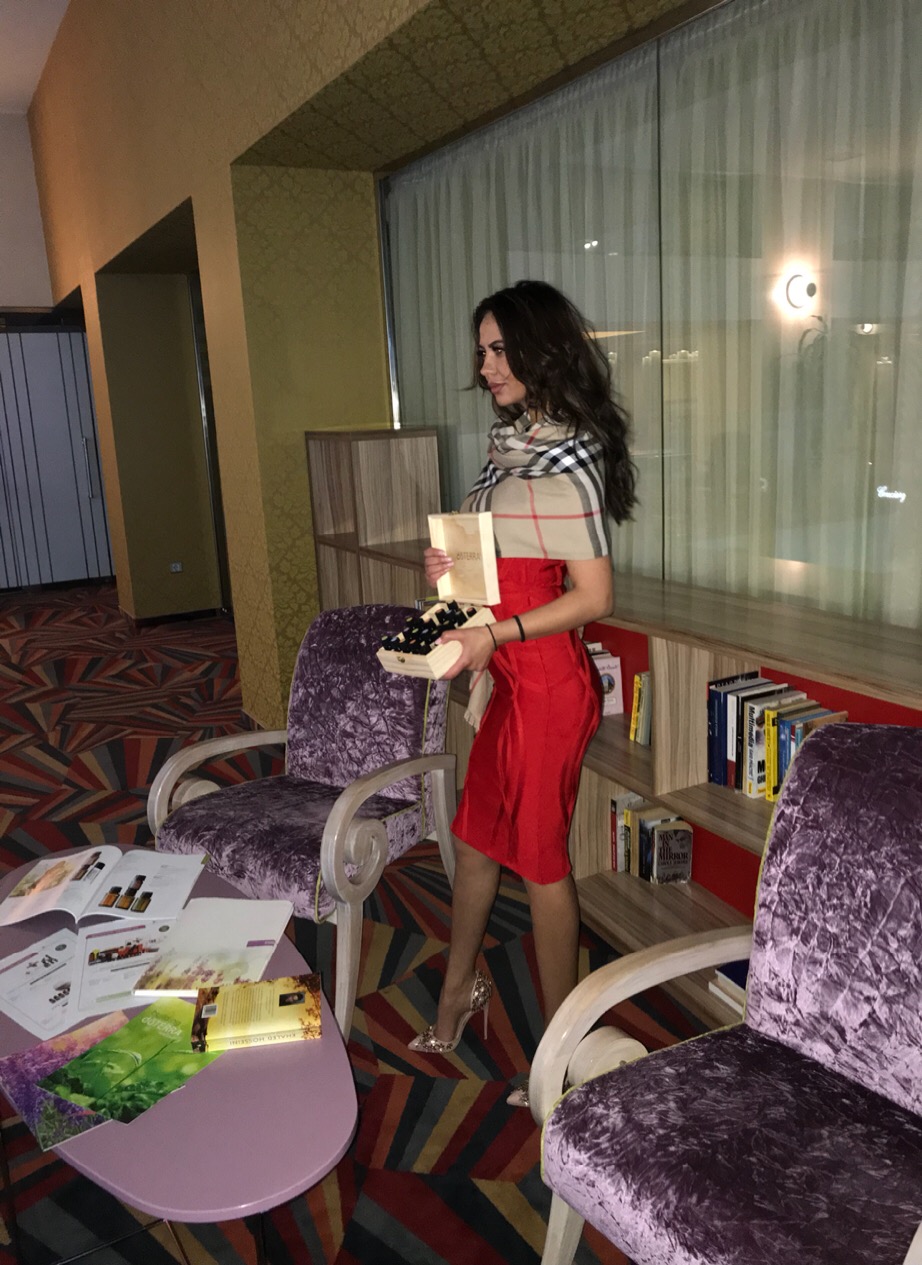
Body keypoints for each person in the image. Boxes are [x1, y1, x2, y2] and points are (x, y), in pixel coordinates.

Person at [408, 280, 637, 1104]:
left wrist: (494, 634)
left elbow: (594, 597)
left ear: (542, 351)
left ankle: (557, 1057)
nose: (487, 365)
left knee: (540, 863)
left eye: (501, 349)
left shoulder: (569, 460)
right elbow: (496, 571)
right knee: (475, 840)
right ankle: (457, 991)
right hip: (506, 681)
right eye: (482, 351)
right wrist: (448, 574)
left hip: (548, 690)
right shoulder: (511, 447)